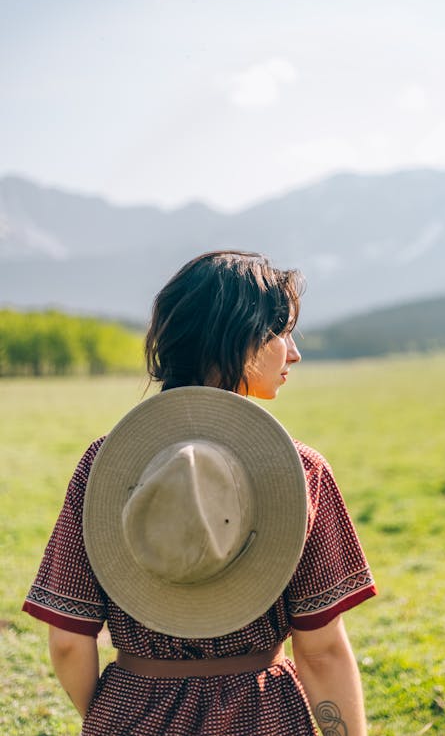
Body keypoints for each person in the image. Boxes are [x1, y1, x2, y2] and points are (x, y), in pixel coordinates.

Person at [23, 250, 377, 735]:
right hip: (263, 715)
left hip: (130, 710)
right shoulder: (299, 471)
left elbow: (67, 639)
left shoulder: (103, 466)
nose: (293, 352)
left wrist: (113, 718)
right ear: (237, 340)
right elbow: (322, 650)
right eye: (280, 332)